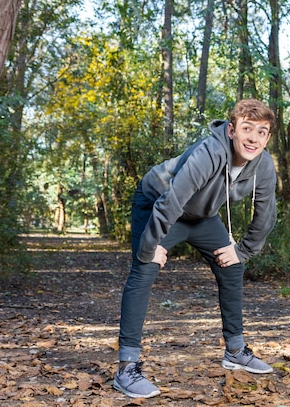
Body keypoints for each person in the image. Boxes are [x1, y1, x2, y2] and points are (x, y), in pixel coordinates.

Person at [113, 99, 277, 398]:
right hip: (158, 203)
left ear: (267, 137)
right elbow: (171, 201)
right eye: (247, 129)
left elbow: (266, 214)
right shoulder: (210, 152)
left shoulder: (263, 164)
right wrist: (150, 247)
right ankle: (127, 367)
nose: (254, 138)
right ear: (231, 130)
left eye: (262, 132)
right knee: (145, 269)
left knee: (232, 265)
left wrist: (242, 250)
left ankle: (235, 350)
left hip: (201, 216)